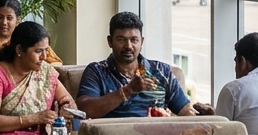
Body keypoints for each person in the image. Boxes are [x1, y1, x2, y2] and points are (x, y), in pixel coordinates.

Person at [75, 11, 205, 118]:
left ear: (142, 42)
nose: (128, 46)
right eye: (121, 39)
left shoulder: (161, 71)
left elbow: (185, 110)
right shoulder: (97, 71)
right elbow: (84, 110)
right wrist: (128, 90)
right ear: (110, 41)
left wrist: (202, 116)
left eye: (134, 40)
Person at [0, 0, 64, 66]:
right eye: (0, 17)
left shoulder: (27, 39)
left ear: (18, 20)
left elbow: (57, 63)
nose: (4, 22)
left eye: (9, 18)